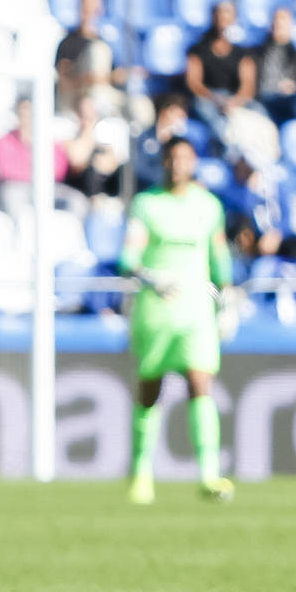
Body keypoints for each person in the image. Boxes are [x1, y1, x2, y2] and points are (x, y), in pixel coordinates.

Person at [120, 137, 234, 505]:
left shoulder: (208, 206)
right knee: (151, 387)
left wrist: (227, 299)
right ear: (164, 162)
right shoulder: (147, 204)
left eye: (184, 158)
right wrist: (150, 276)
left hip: (197, 309)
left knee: (201, 382)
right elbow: (129, 256)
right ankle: (141, 474)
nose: (177, 164)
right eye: (172, 158)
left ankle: (208, 474)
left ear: (194, 161)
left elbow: (219, 258)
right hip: (157, 308)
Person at [184, 0, 260, 146]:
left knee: (259, 111)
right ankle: (228, 144)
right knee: (205, 110)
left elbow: (248, 86)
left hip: (235, 98)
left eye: (227, 16)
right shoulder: (198, 50)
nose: (223, 21)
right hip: (209, 98)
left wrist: (234, 101)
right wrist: (215, 99)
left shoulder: (243, 53)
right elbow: (194, 82)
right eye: (220, 15)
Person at [54, 0, 124, 118]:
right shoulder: (67, 43)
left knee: (140, 106)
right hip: (77, 100)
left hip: (104, 99)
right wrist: (91, 79)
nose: (89, 10)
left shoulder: (104, 43)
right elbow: (64, 81)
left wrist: (107, 78)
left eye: (93, 5)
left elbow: (112, 77)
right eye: (86, 5)